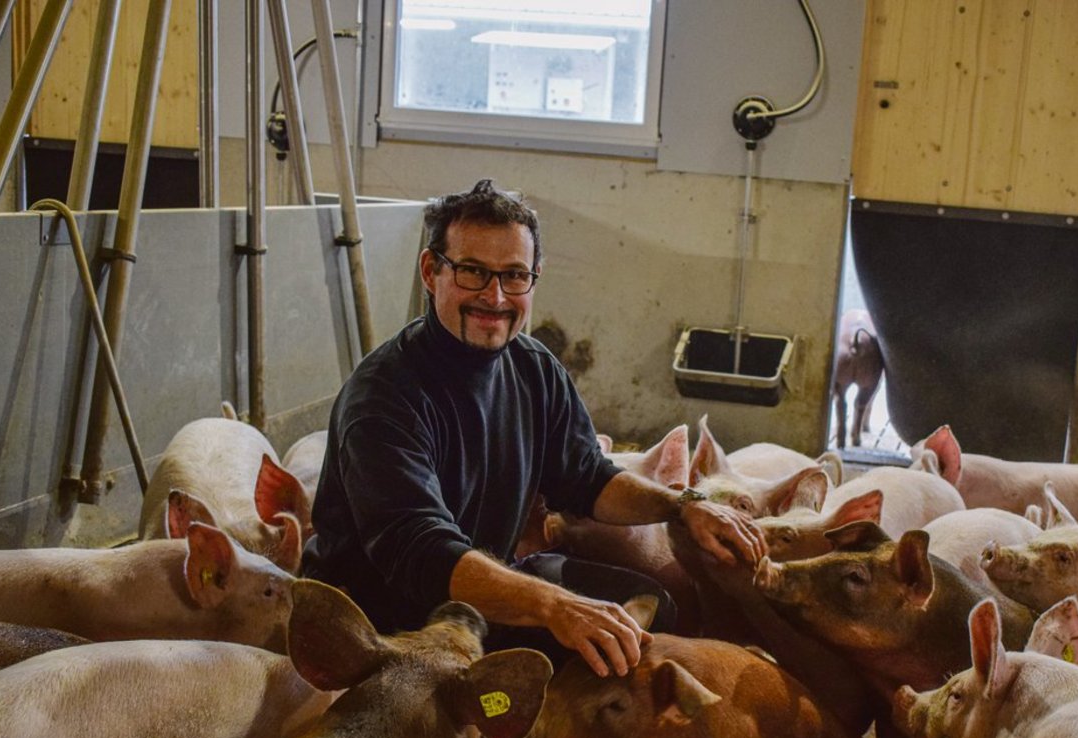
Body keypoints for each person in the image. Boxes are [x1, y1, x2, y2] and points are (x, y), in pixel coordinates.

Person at [301, 178, 764, 678]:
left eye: (514, 276)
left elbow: (588, 477)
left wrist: (681, 506)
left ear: (534, 280)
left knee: (641, 606)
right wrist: (553, 606)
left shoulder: (532, 368)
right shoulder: (385, 396)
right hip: (385, 621)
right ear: (432, 271)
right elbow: (422, 551)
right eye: (473, 272)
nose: (494, 296)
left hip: (481, 592)